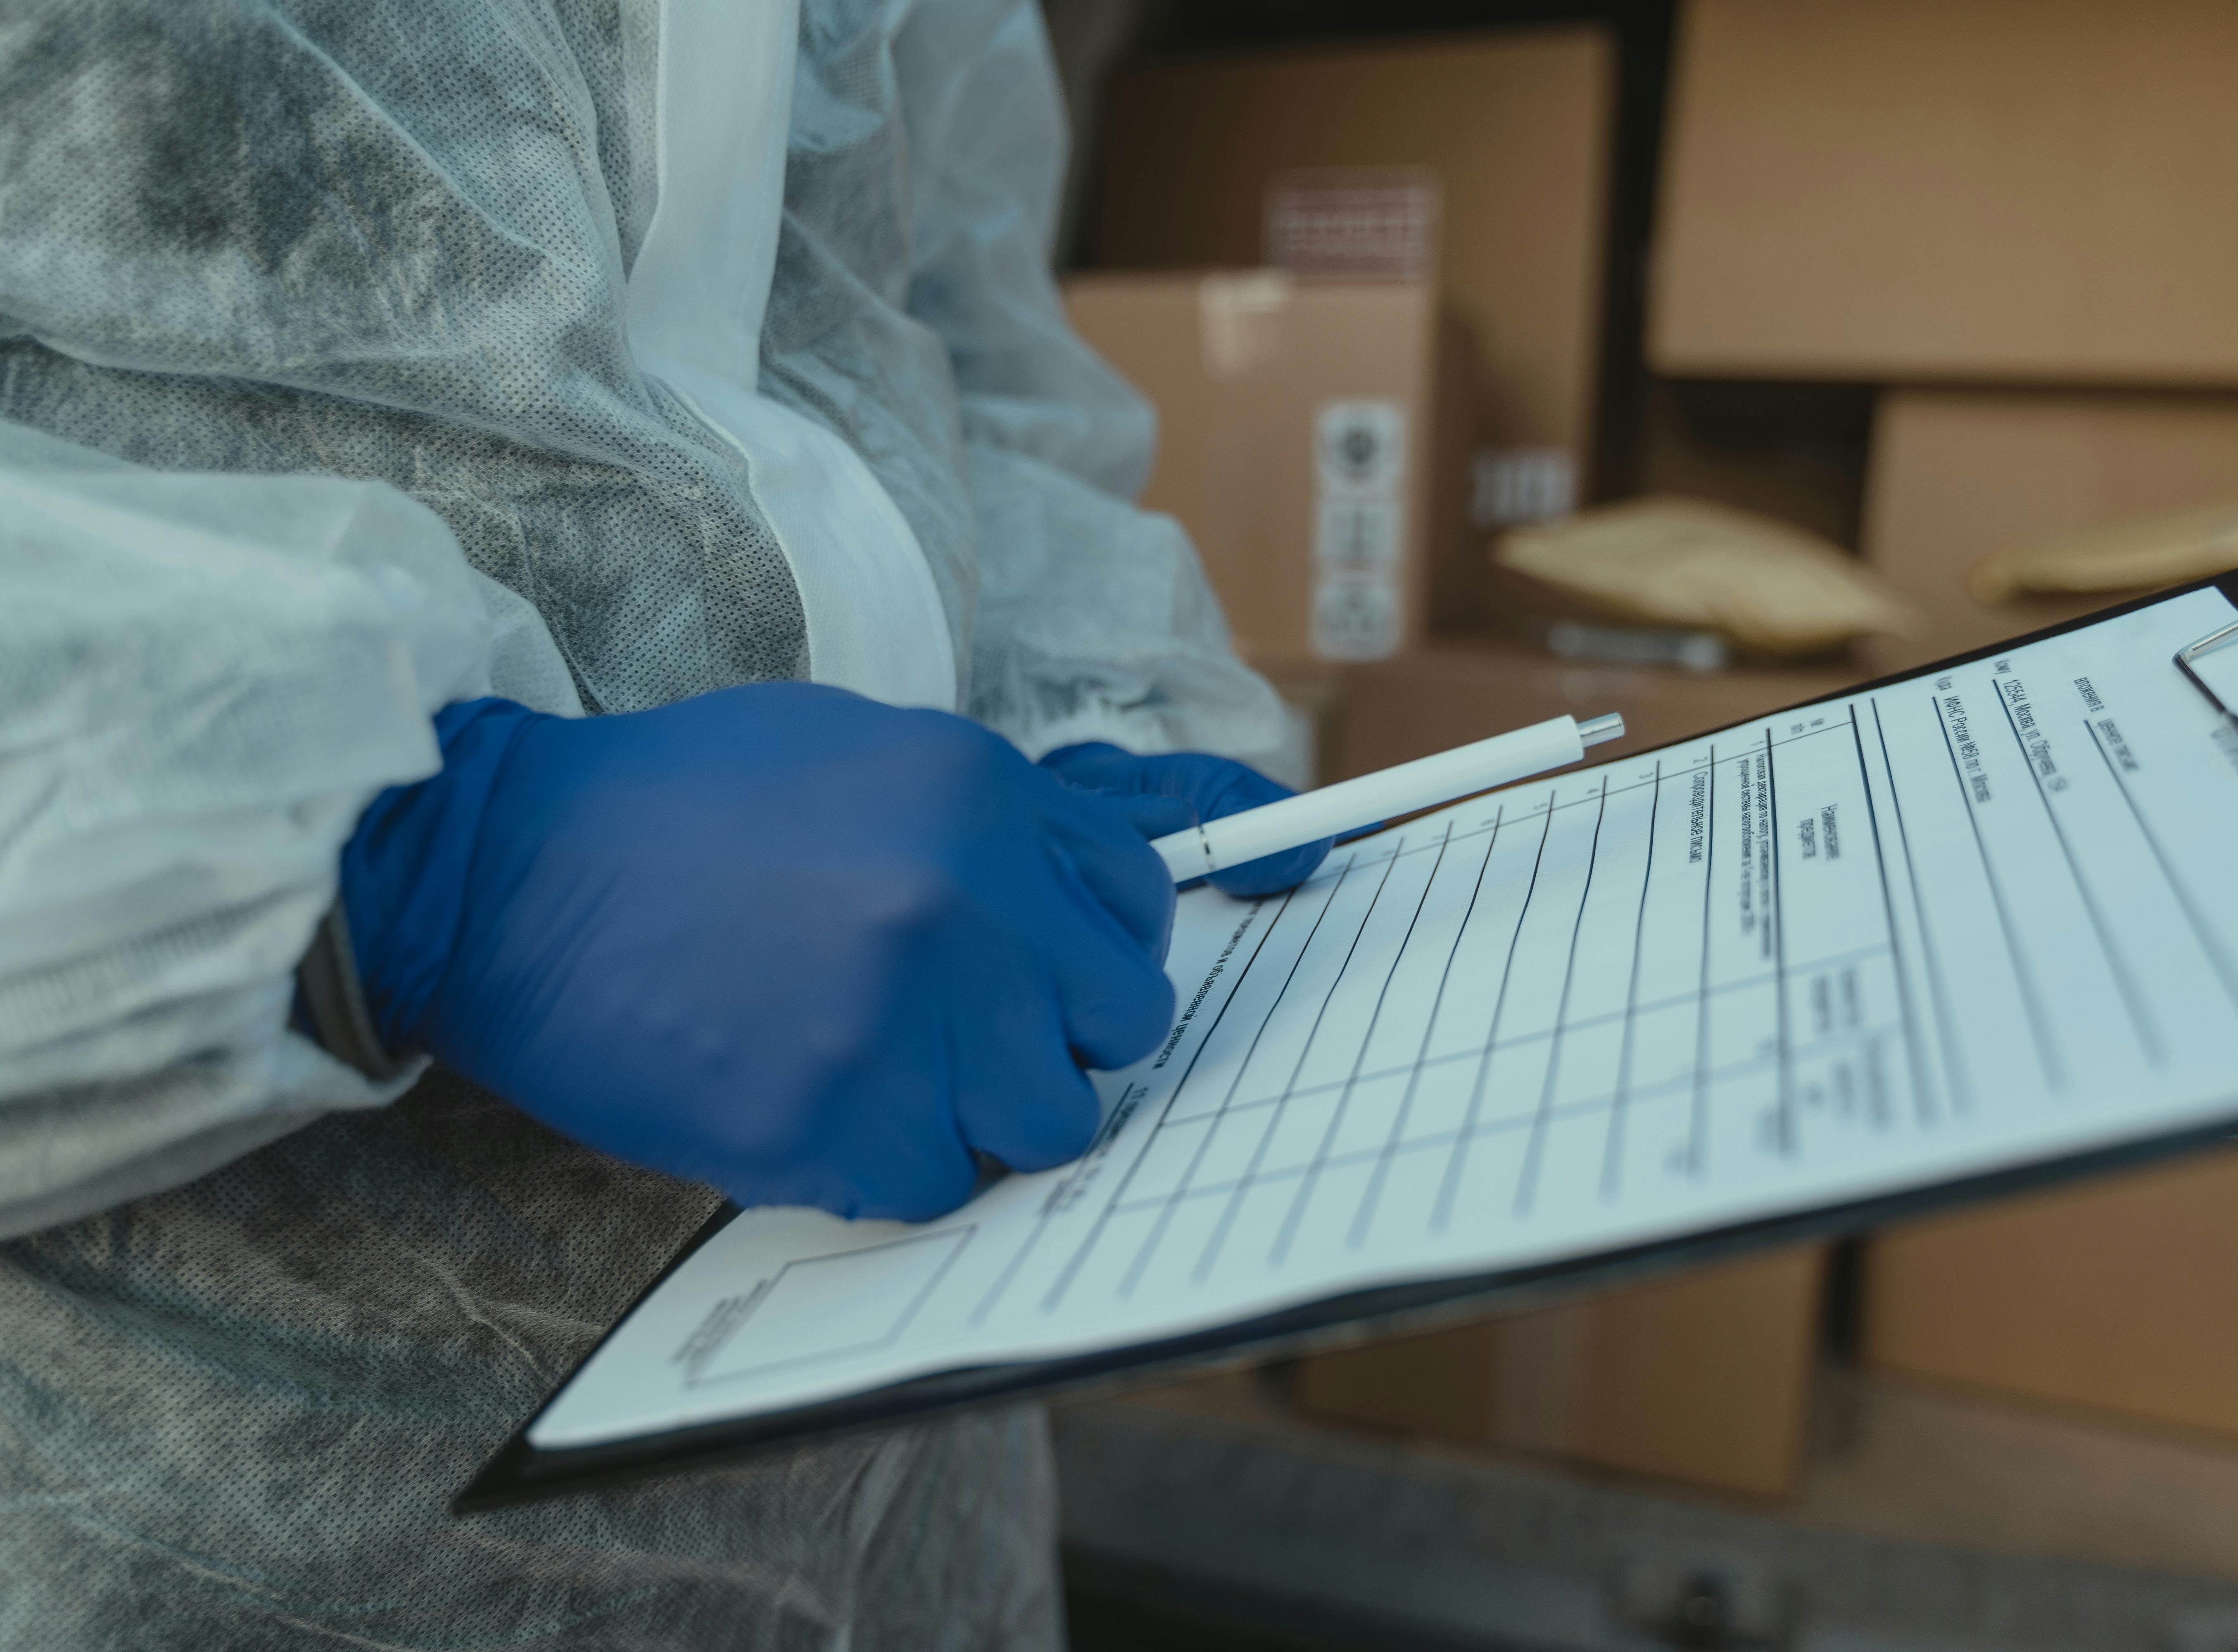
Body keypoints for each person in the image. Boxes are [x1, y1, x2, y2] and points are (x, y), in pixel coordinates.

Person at [0, 2, 1328, 1645]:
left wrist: (1067, 703)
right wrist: (435, 858)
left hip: (911, 1441)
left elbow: (919, 321)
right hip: (208, 1465)